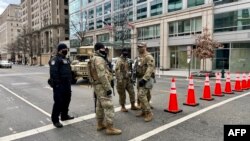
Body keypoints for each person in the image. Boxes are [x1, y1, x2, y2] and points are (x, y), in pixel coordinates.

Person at [88, 42, 121, 135]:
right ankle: (110, 128)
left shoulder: (94, 58)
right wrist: (108, 88)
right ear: (99, 49)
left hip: (97, 85)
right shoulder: (99, 59)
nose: (105, 50)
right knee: (108, 105)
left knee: (99, 106)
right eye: (103, 49)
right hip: (102, 86)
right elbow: (102, 75)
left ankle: (100, 124)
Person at [49, 43, 74, 128]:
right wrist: (57, 84)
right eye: (65, 49)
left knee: (67, 100)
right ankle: (55, 120)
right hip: (59, 85)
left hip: (67, 84)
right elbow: (53, 73)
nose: (66, 50)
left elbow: (68, 71)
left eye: (67, 49)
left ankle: (64, 115)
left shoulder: (66, 59)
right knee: (58, 102)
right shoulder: (55, 59)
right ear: (60, 50)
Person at [135, 42, 155, 122]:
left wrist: (144, 79)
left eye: (141, 47)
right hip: (140, 78)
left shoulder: (148, 56)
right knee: (141, 96)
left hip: (147, 79)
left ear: (145, 47)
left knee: (141, 95)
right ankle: (143, 111)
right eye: (138, 47)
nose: (139, 48)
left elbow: (150, 68)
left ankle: (149, 113)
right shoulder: (139, 57)